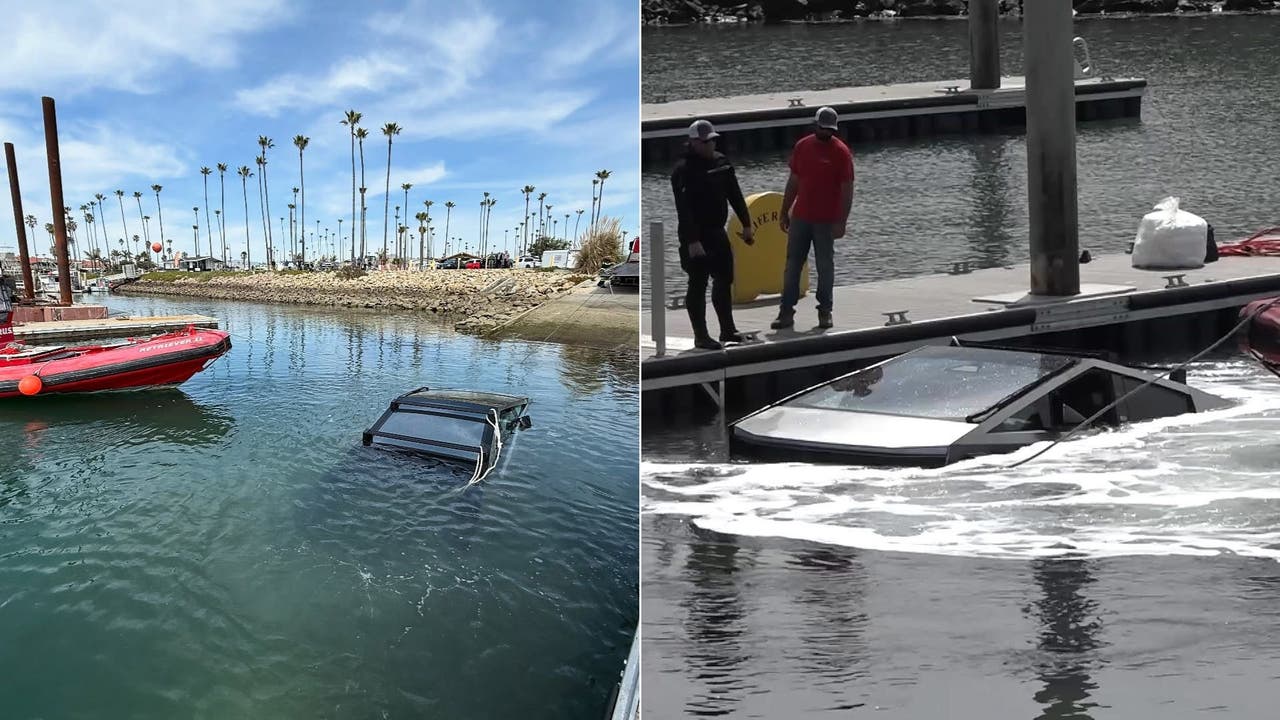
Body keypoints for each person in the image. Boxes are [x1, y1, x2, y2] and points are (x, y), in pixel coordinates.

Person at [671, 119, 755, 350]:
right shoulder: (683, 170)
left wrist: (747, 224)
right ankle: (701, 336)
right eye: (705, 142)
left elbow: (735, 194)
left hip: (718, 232)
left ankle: (728, 329)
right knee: (698, 283)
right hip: (695, 236)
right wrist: (693, 241)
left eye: (712, 141)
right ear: (693, 142)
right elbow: (683, 209)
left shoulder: (722, 163)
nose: (710, 145)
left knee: (725, 279)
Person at [772, 106, 855, 331]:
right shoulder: (803, 146)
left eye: (829, 129)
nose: (826, 132)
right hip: (801, 217)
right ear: (815, 125)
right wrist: (784, 210)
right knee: (792, 266)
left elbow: (847, 189)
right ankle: (786, 312)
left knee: (825, 267)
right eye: (822, 128)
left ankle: (825, 312)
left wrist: (842, 220)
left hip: (826, 220)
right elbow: (794, 180)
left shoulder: (841, 152)